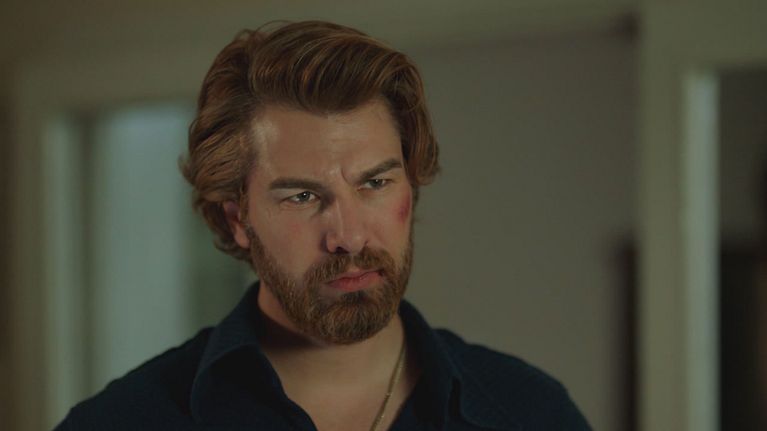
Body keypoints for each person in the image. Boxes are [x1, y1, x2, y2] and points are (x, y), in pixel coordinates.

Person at [55, 21, 590, 430]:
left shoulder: (530, 413)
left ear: (411, 186)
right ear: (238, 219)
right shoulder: (120, 422)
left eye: (375, 183)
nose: (349, 237)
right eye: (303, 196)